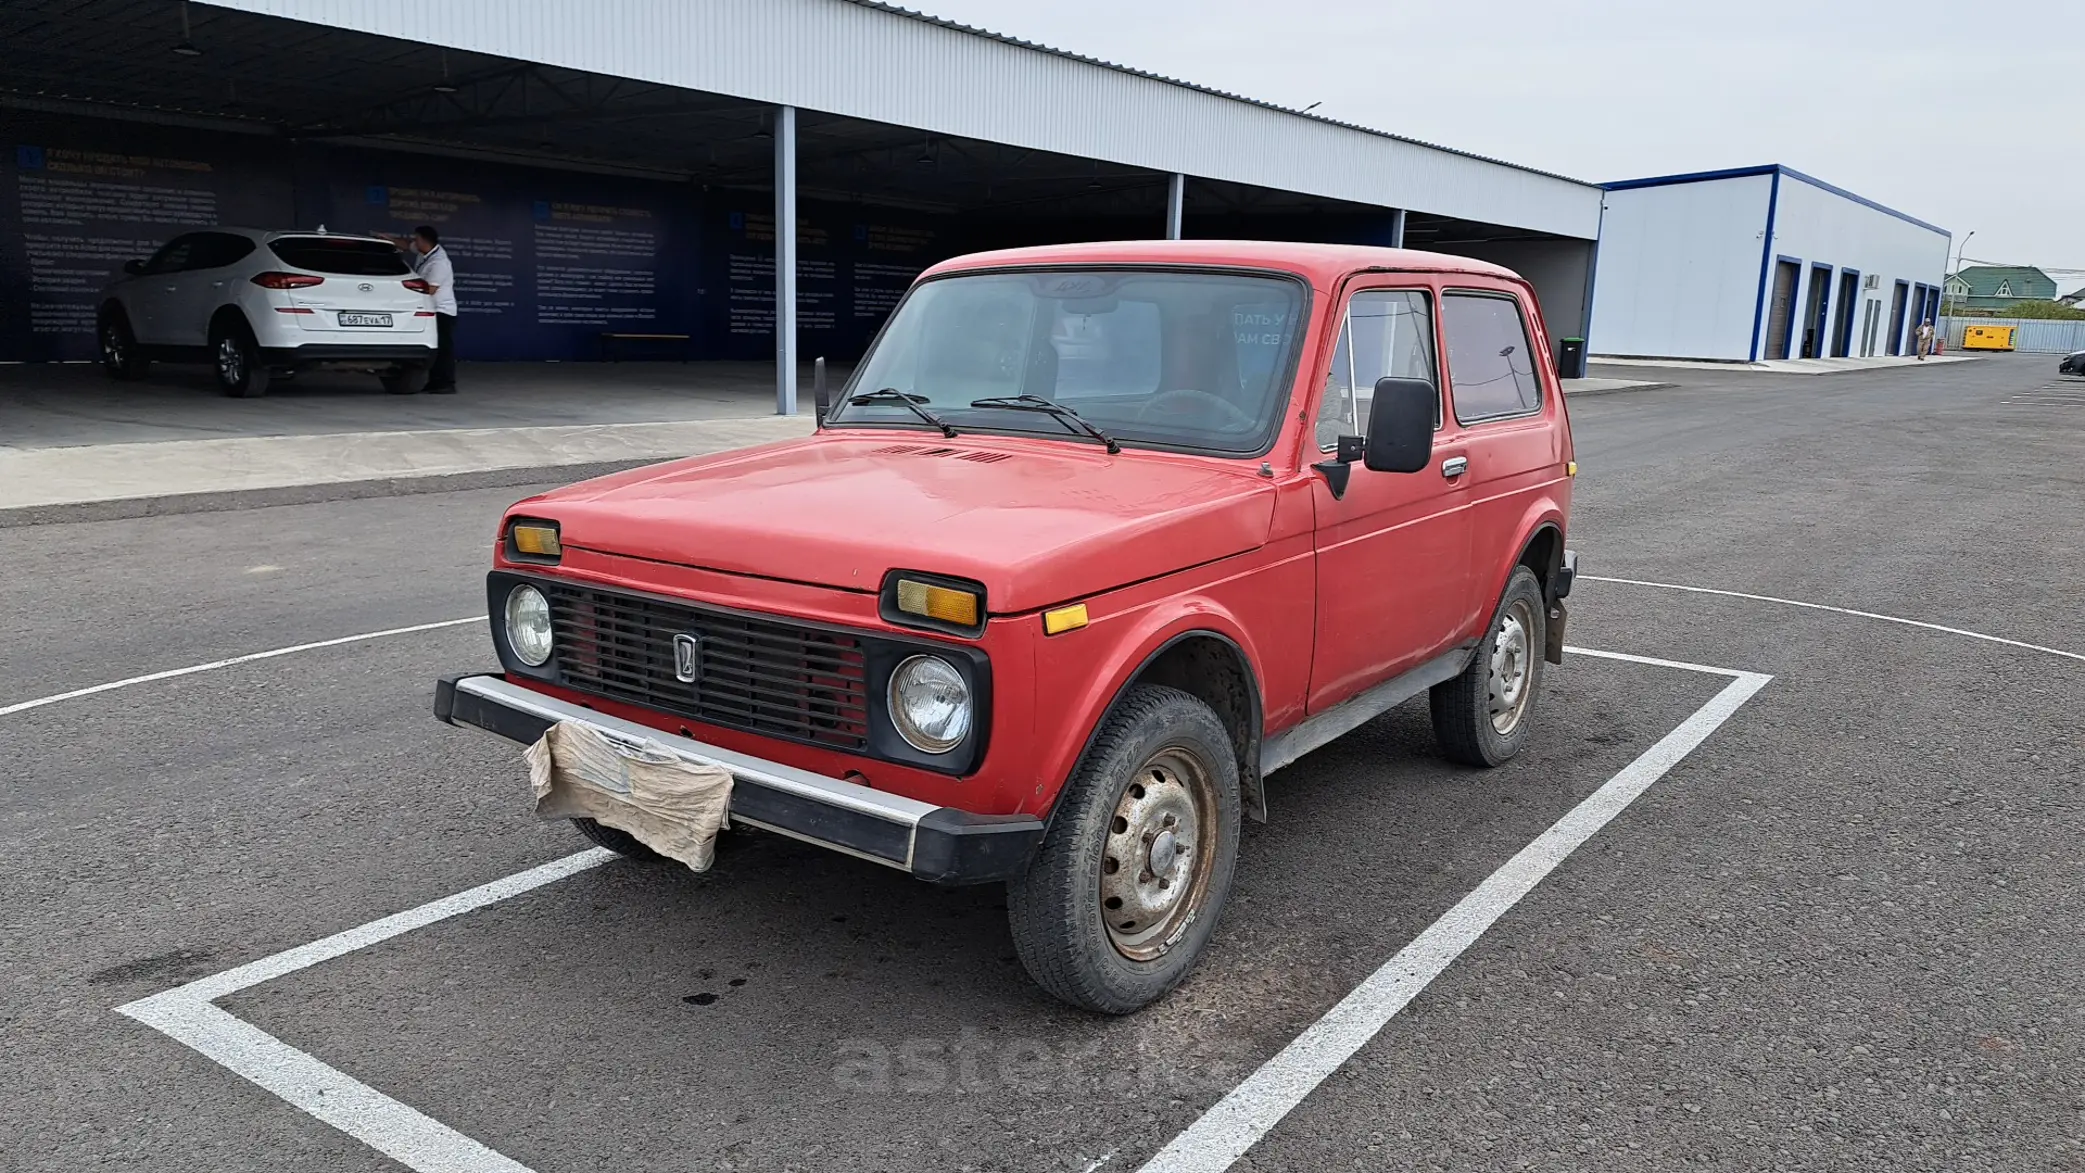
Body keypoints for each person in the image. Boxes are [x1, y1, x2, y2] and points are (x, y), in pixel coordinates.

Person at [380, 225, 458, 393]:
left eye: (416, 239)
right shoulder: (425, 252)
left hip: (441, 311)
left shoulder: (439, 262)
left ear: (423, 240)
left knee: (444, 349)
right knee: (435, 349)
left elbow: (430, 290)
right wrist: (388, 239)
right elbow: (406, 245)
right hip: (430, 309)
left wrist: (402, 290)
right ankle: (435, 381)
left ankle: (446, 383)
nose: (414, 242)